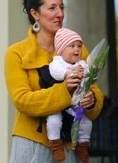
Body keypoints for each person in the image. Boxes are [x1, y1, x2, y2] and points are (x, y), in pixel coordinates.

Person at [4, 0, 103, 163]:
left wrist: (91, 100)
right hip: (31, 144)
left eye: (62, 7)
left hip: (68, 145)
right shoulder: (16, 53)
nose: (60, 14)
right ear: (35, 14)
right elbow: (22, 100)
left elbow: (95, 94)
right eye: (52, 8)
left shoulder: (78, 49)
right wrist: (65, 91)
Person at [47, 28, 92, 162]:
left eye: (79, 46)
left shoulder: (81, 63)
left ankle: (83, 145)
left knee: (86, 121)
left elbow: (88, 75)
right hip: (58, 103)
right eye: (71, 46)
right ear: (61, 49)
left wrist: (85, 73)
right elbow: (55, 72)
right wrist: (69, 72)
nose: (76, 49)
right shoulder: (57, 62)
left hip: (75, 103)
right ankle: (55, 144)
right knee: (53, 121)